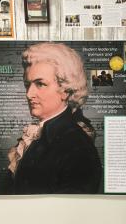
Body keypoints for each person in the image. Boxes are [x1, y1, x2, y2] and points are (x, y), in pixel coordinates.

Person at [7, 42, 102, 194]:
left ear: (66, 90)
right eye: (27, 84)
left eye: (40, 84)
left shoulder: (76, 146)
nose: (29, 94)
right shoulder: (42, 135)